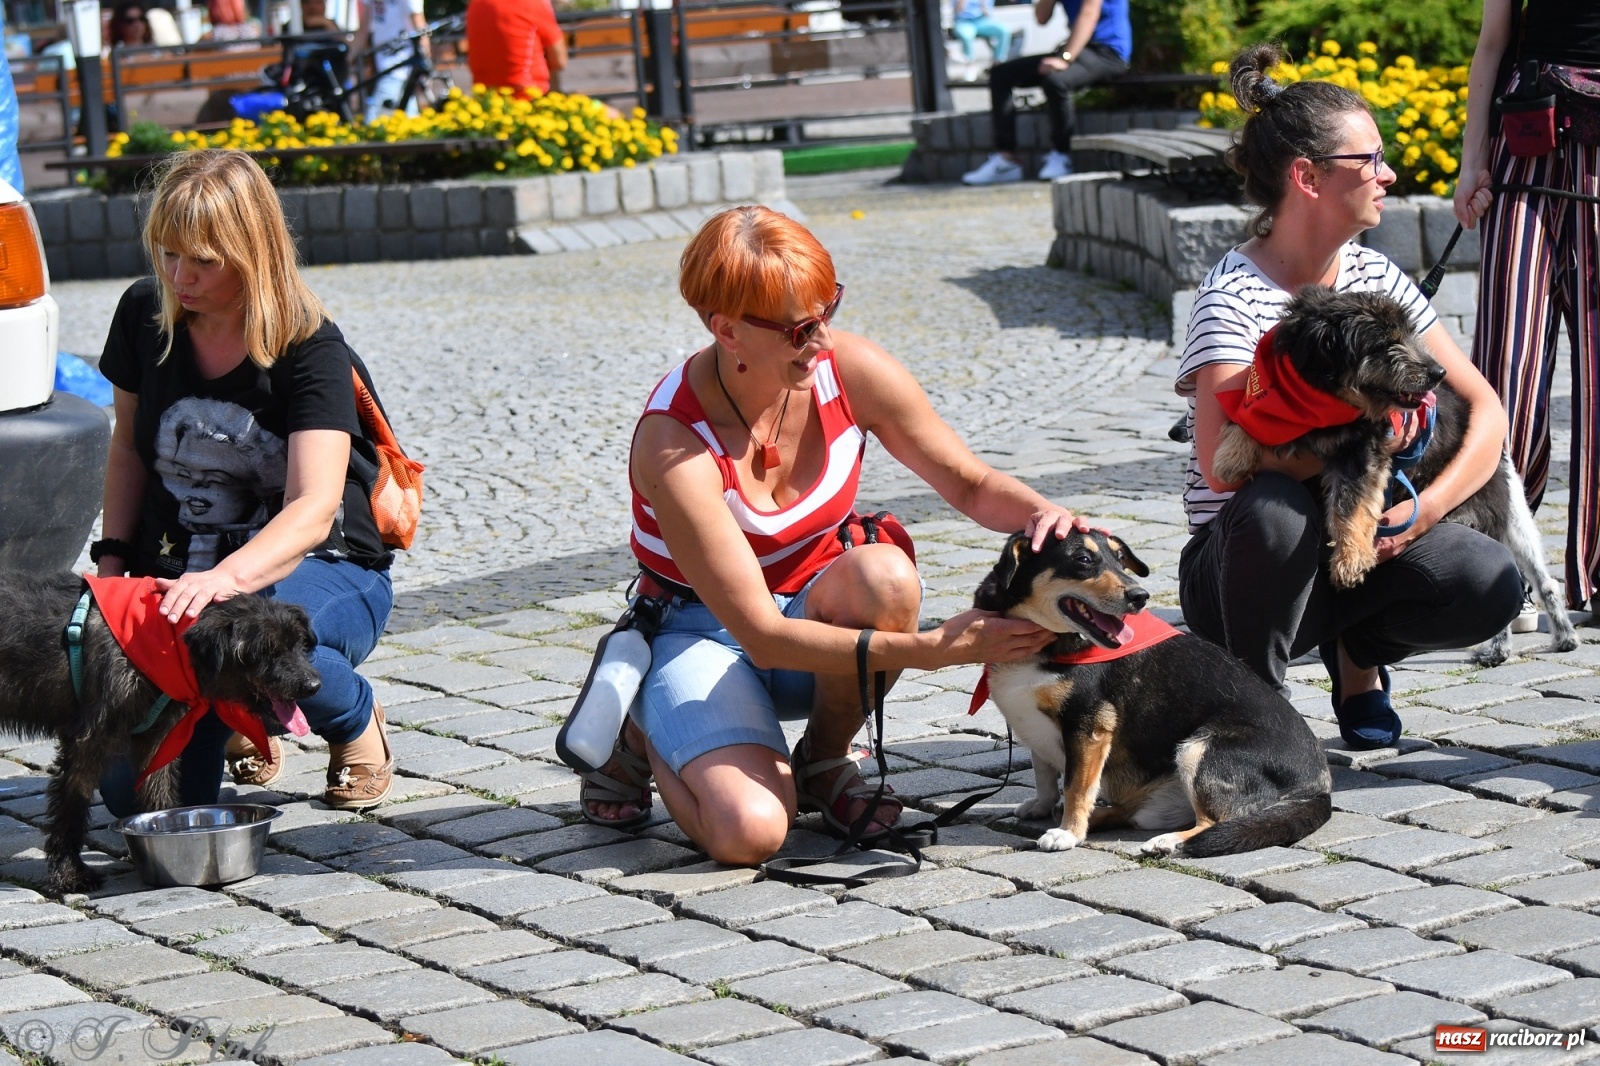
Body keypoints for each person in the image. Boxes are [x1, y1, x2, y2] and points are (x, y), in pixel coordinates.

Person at [581, 205, 1089, 865]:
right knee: (749, 833)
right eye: (799, 329)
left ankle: (823, 762)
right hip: (698, 630)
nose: (821, 340)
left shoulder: (848, 370)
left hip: (812, 615)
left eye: (828, 311)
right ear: (726, 330)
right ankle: (644, 731)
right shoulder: (675, 442)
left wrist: (1046, 516)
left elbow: (968, 482)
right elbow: (762, 633)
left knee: (885, 575)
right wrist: (936, 650)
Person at [1176, 44, 1523, 749]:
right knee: (1274, 510)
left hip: (1358, 537)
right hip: (1245, 574)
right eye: (1369, 160)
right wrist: (1364, 439)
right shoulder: (1232, 301)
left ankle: (1357, 653)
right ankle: (1256, 712)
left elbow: (1487, 411)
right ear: (1307, 176)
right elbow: (1224, 468)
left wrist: (1420, 515)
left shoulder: (1377, 276)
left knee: (1485, 579)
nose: (1387, 174)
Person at [93, 149, 398, 814]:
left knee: (252, 642)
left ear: (252, 253)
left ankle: (354, 719)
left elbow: (314, 506)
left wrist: (223, 580)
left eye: (203, 261)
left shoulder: (310, 344)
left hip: (322, 563)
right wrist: (113, 564)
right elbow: (127, 449)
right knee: (134, 800)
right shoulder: (144, 312)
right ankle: (235, 710)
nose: (180, 276)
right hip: (185, 574)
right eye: (168, 254)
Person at [1455, 0, 1600, 616]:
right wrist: (1472, 162)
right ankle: (1496, 566)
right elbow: (1493, 42)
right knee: (1504, 370)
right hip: (1526, 139)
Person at [962, 0, 1131, 184]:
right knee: (1001, 75)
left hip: (1108, 53)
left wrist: (1065, 58)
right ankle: (1005, 161)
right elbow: (1041, 18)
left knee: (1056, 81)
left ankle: (1062, 155)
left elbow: (1089, 14)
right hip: (1077, 52)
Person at [466, 0, 565, 97]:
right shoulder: (533, 2)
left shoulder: (475, 3)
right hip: (527, 93)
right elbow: (559, 61)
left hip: (485, 96)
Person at [357, 0, 425, 122]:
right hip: (388, 68)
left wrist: (423, 69)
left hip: (399, 67)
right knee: (409, 122)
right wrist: (346, 59)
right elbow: (363, 31)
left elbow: (421, 29)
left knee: (373, 125)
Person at [952, 0, 1010, 83]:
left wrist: (983, 5)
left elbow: (988, 14)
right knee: (966, 36)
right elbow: (957, 12)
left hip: (981, 21)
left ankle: (998, 64)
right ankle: (970, 65)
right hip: (964, 22)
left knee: (1003, 31)